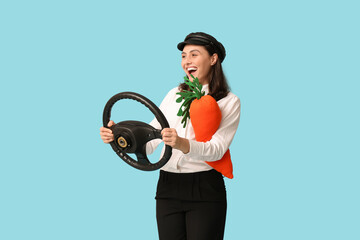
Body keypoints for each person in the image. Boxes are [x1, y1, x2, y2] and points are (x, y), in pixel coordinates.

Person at [100, 32, 241, 240]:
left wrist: (182, 144)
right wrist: (120, 137)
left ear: (213, 59)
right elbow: (151, 140)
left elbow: (217, 149)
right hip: (167, 187)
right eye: (184, 56)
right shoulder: (174, 94)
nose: (187, 61)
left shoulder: (229, 101)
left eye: (194, 55)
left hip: (205, 189)